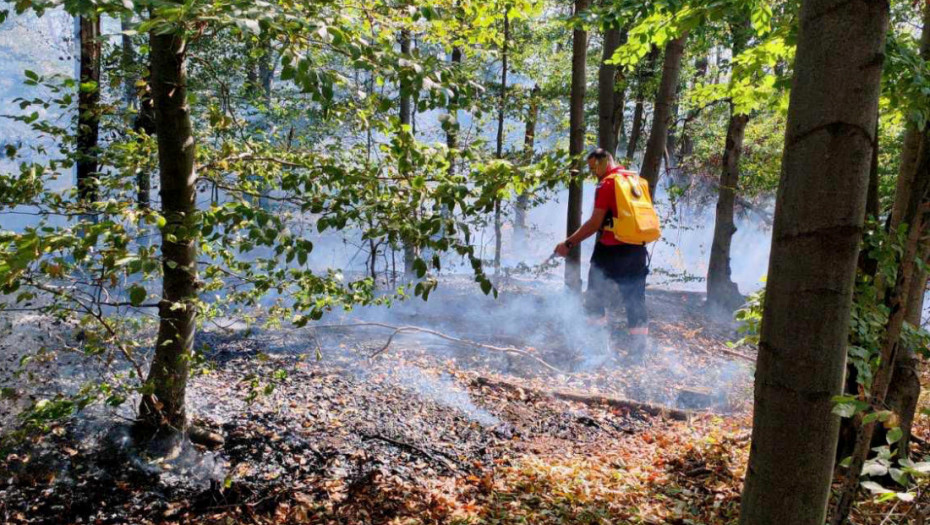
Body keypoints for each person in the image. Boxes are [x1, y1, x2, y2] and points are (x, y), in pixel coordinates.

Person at [554, 148, 650, 360]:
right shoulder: (636, 181)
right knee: (635, 301)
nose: (593, 172)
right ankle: (638, 355)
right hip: (637, 250)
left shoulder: (607, 184)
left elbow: (595, 223)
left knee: (594, 298)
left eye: (594, 167)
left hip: (610, 250)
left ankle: (599, 349)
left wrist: (569, 243)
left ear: (605, 161)